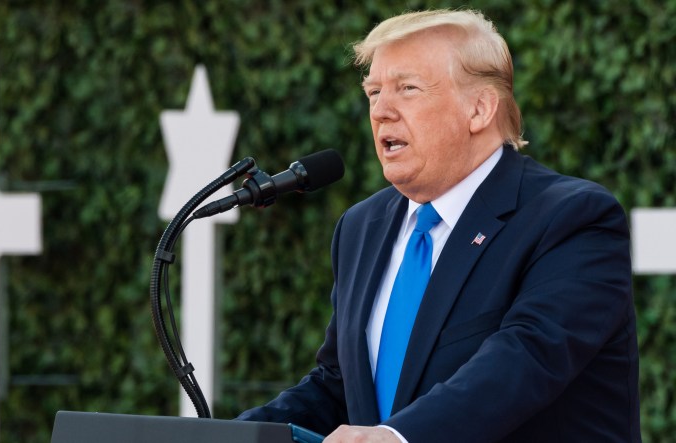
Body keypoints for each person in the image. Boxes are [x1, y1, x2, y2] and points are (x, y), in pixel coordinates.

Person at [237, 8, 640, 442]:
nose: (381, 112)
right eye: (373, 92)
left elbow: (522, 362)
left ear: (480, 108)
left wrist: (397, 436)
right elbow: (339, 386)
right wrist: (233, 435)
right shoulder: (361, 227)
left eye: (407, 88)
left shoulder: (571, 218)